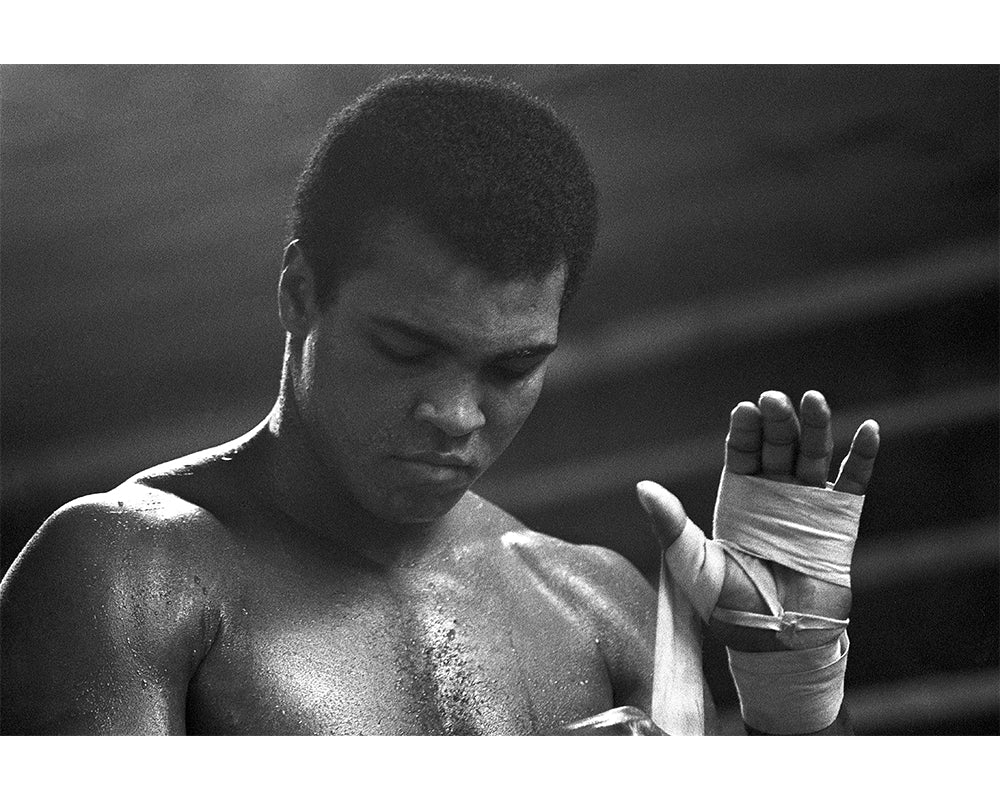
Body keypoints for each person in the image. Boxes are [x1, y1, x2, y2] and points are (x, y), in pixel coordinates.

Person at [0, 72, 879, 735]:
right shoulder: (123, 577)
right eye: (407, 350)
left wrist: (791, 694)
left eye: (511, 369)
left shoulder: (595, 603)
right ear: (301, 293)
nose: (457, 415)